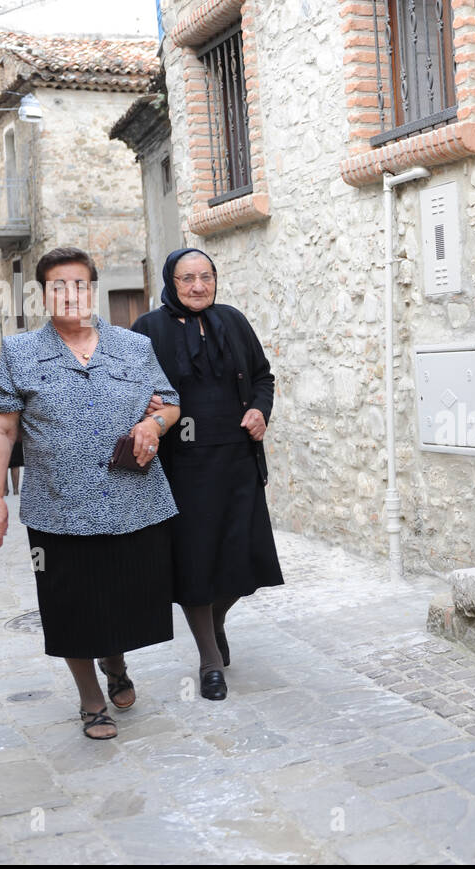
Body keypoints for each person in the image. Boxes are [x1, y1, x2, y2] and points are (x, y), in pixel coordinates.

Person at [0, 246, 182, 740]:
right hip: (58, 508)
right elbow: (2, 431)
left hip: (132, 501)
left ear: (94, 290)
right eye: (58, 286)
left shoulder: (133, 347)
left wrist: (152, 425)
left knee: (126, 598)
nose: (71, 295)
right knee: (70, 606)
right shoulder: (20, 352)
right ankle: (92, 701)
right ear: (43, 295)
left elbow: (170, 403)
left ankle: (115, 661)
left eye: (80, 285)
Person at [132, 248, 283, 702]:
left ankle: (215, 622)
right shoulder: (148, 330)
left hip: (237, 459)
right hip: (184, 467)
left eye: (206, 277)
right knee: (196, 559)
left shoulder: (233, 321)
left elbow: (263, 377)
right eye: (187, 279)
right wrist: (147, 408)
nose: (198, 286)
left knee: (243, 554)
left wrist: (260, 409)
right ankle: (209, 661)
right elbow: (131, 389)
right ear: (170, 282)